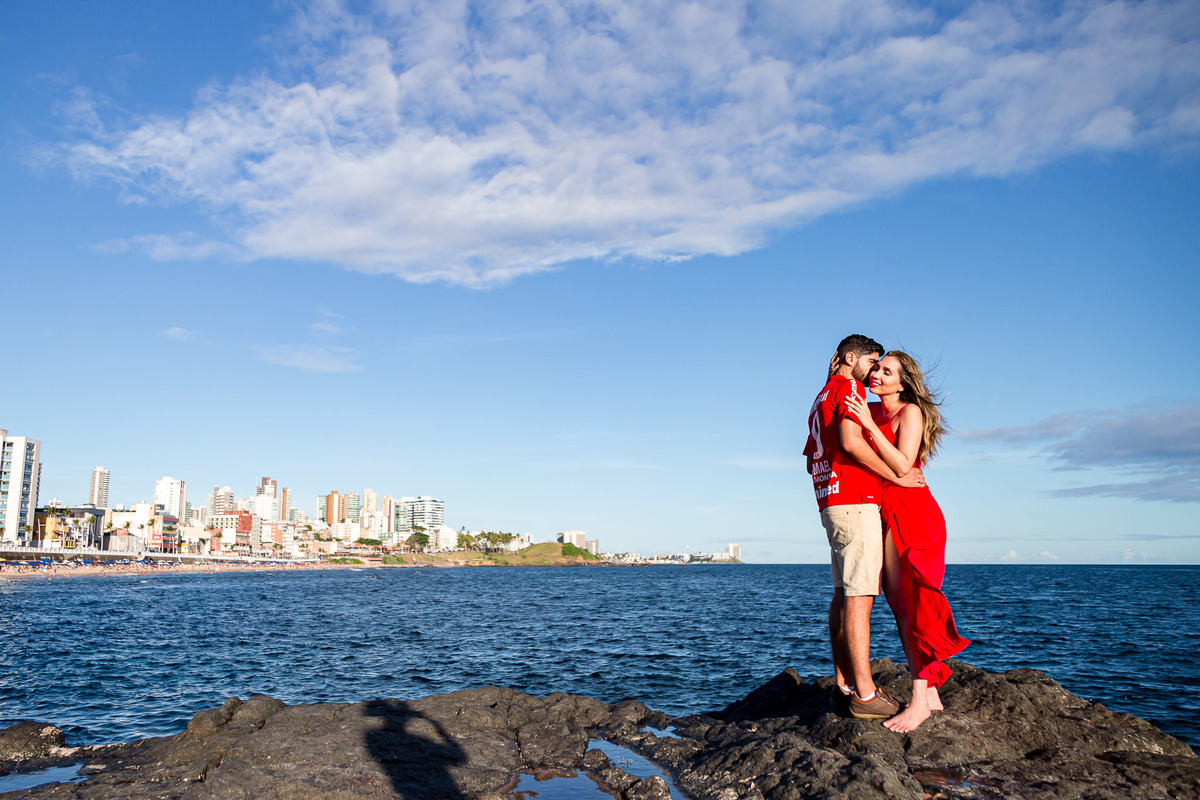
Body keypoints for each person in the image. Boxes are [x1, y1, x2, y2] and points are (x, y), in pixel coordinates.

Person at [846, 351, 970, 732]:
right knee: (902, 606)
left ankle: (918, 703)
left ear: (903, 382)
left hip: (915, 514)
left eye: (887, 372)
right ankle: (930, 688)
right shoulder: (869, 407)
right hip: (885, 513)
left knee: (917, 603)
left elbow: (904, 464)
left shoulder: (909, 412)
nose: (877, 376)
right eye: (876, 368)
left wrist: (867, 422)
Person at [804, 335, 925, 720]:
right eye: (872, 362)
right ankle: (866, 695)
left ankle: (844, 685)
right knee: (860, 598)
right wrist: (897, 475)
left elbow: (810, 459)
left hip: (830, 502)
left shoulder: (822, 395)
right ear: (850, 358)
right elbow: (852, 442)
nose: (873, 371)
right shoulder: (850, 389)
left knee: (842, 594)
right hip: (855, 504)